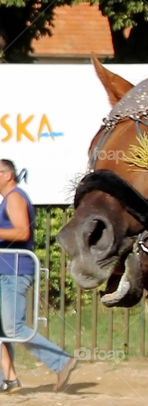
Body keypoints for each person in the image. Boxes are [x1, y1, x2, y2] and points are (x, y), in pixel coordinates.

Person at [0, 160, 76, 393]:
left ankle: (62, 361)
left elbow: (22, 231)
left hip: (13, 271)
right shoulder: (9, 199)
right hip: (6, 270)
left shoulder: (14, 197)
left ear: (8, 175)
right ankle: (8, 379)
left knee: (13, 328)